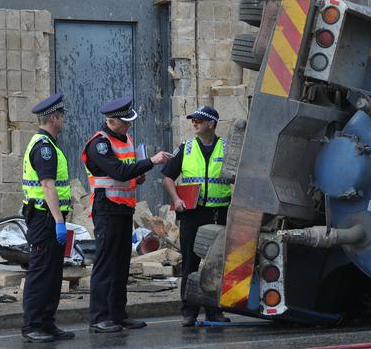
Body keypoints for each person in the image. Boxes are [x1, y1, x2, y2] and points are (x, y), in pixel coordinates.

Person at [82, 96, 172, 333]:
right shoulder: (99, 144)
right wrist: (150, 162)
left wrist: (138, 174)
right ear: (111, 120)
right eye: (124, 122)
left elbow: (128, 171)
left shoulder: (126, 138)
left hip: (123, 207)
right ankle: (99, 317)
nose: (129, 125)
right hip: (106, 208)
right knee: (105, 264)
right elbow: (119, 172)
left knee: (122, 264)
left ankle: (118, 314)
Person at [161, 106, 232, 327]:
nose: (194, 123)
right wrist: (176, 199)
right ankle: (189, 311)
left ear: (211, 124)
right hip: (192, 214)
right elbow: (167, 178)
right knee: (191, 263)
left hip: (219, 212)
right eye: (193, 121)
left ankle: (214, 310)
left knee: (215, 265)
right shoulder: (187, 147)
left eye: (199, 121)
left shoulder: (227, 148)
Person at [20, 93, 75, 343]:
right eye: (62, 117)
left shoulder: (48, 144)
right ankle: (32, 325)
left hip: (48, 216)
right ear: (54, 117)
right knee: (41, 272)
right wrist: (59, 221)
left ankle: (46, 323)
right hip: (45, 218)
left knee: (53, 274)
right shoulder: (44, 148)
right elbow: (48, 186)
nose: (64, 121)